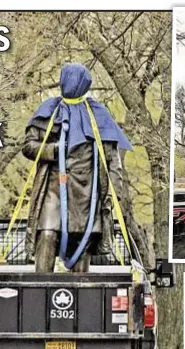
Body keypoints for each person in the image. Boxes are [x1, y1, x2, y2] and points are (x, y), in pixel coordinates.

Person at [22, 63, 132, 273]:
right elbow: (28, 146)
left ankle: (81, 297)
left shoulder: (99, 115)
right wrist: (54, 150)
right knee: (47, 234)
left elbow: (113, 159)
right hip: (53, 189)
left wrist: (114, 195)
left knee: (82, 243)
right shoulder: (49, 111)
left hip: (87, 193)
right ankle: (39, 292)